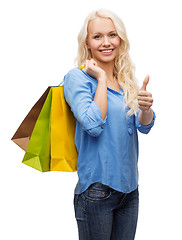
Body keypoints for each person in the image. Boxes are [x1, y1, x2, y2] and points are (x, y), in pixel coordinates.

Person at [63, 8, 155, 240]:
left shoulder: (126, 80)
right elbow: (93, 125)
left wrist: (146, 109)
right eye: (97, 36)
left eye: (112, 35)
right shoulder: (77, 79)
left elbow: (143, 126)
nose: (106, 42)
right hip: (96, 191)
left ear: (120, 39)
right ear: (87, 43)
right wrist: (102, 79)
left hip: (129, 191)